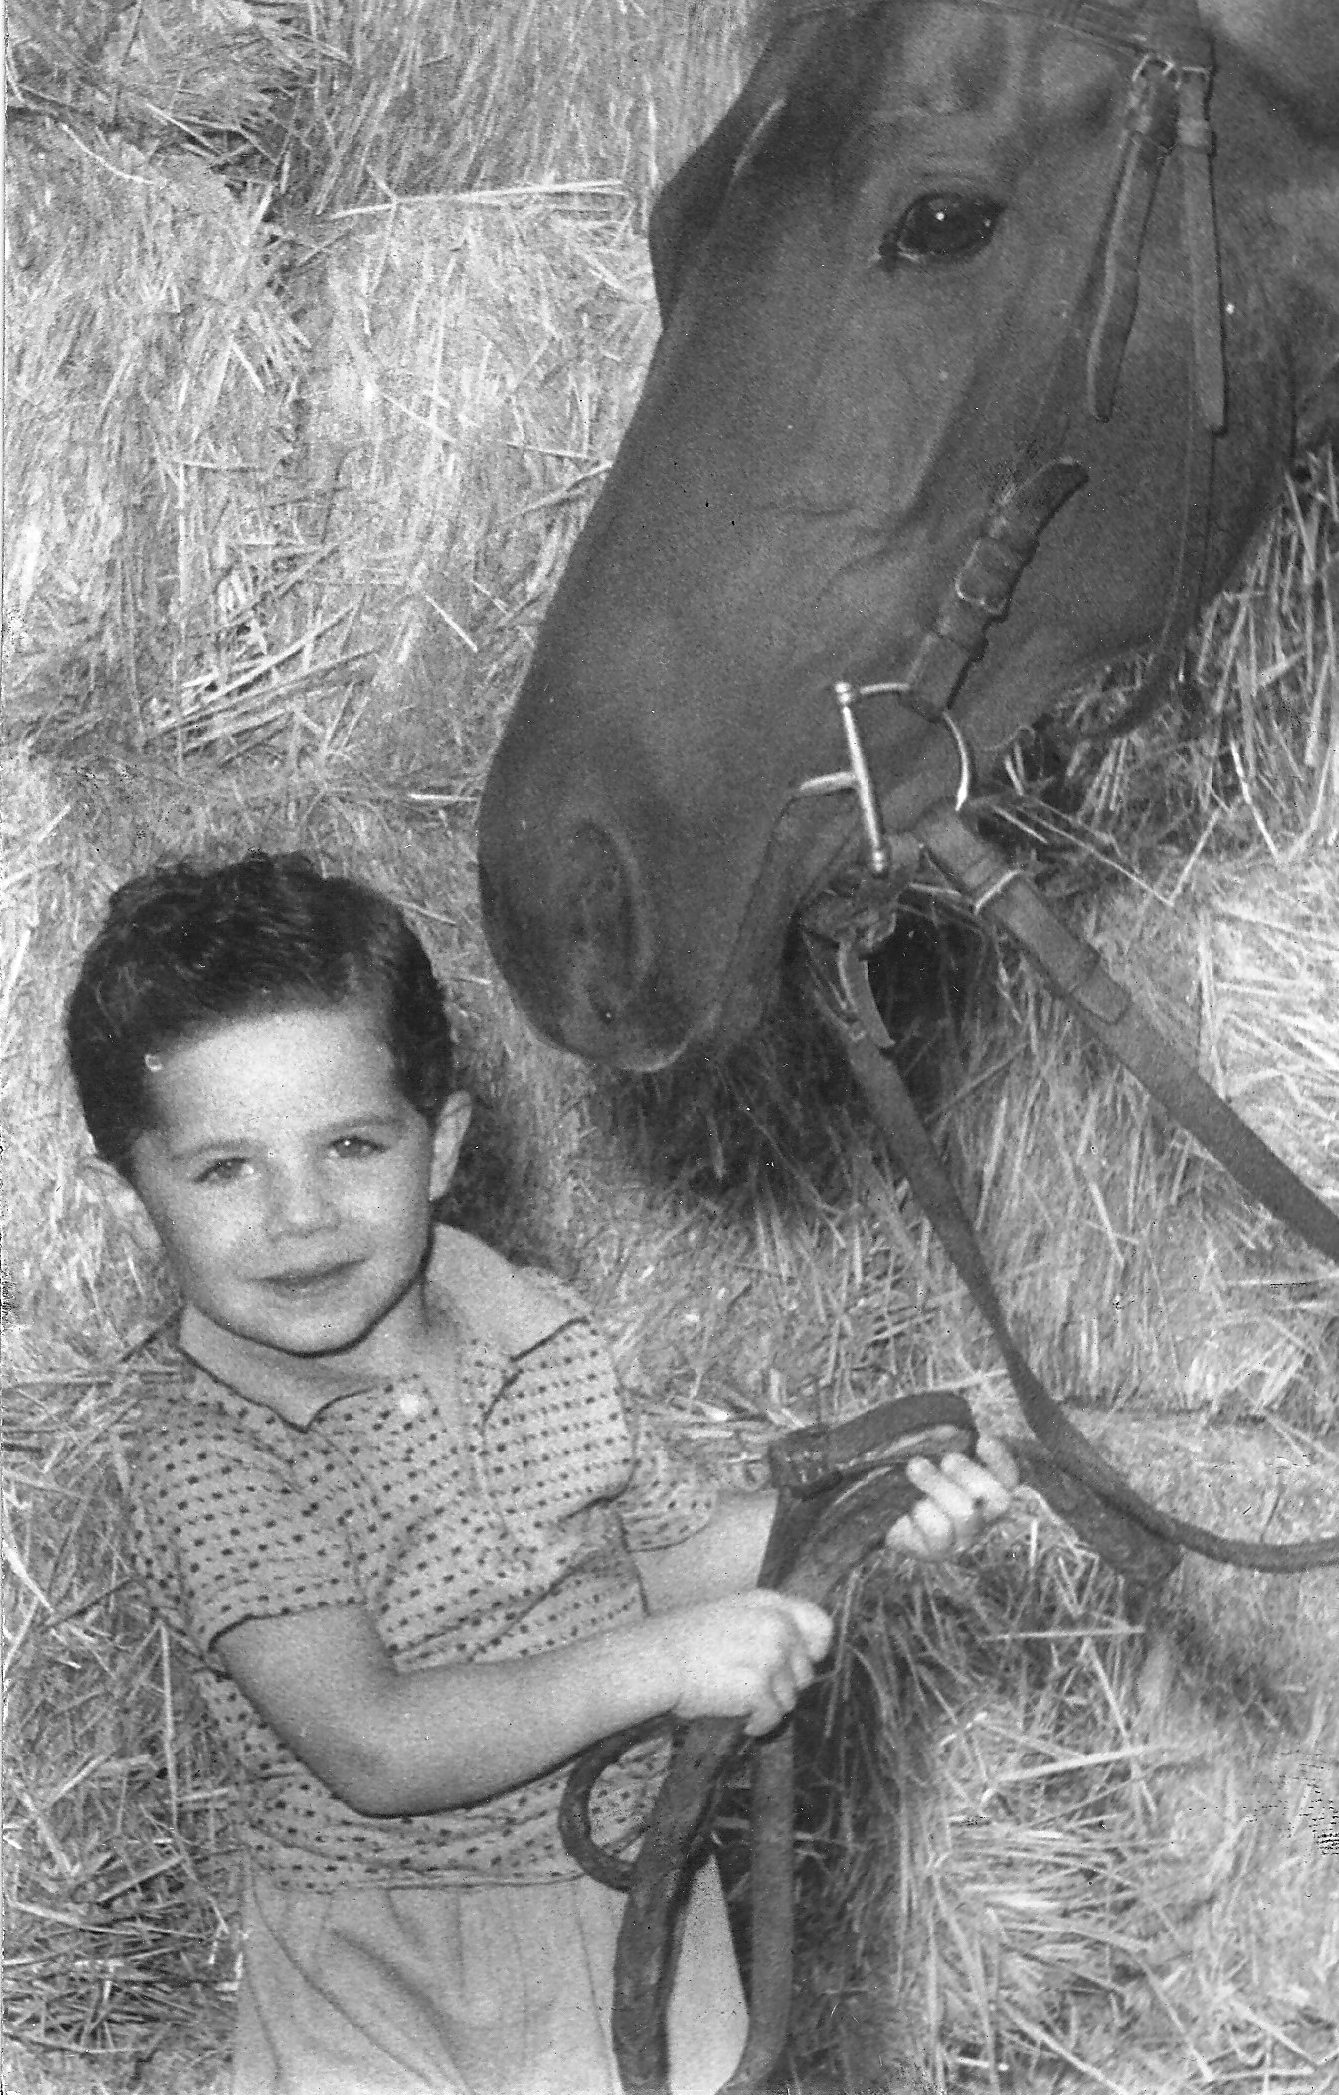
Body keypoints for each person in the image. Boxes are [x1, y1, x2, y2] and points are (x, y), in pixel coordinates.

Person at [66, 851, 1016, 2095]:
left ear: (443, 1144)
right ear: (138, 1193)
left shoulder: (539, 1330)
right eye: (225, 1168)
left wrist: (864, 1509)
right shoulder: (214, 1450)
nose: (299, 1216)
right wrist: (663, 1667)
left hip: (629, 1904)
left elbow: (670, 1562)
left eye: (352, 1145)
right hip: (386, 1974)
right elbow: (377, 1743)